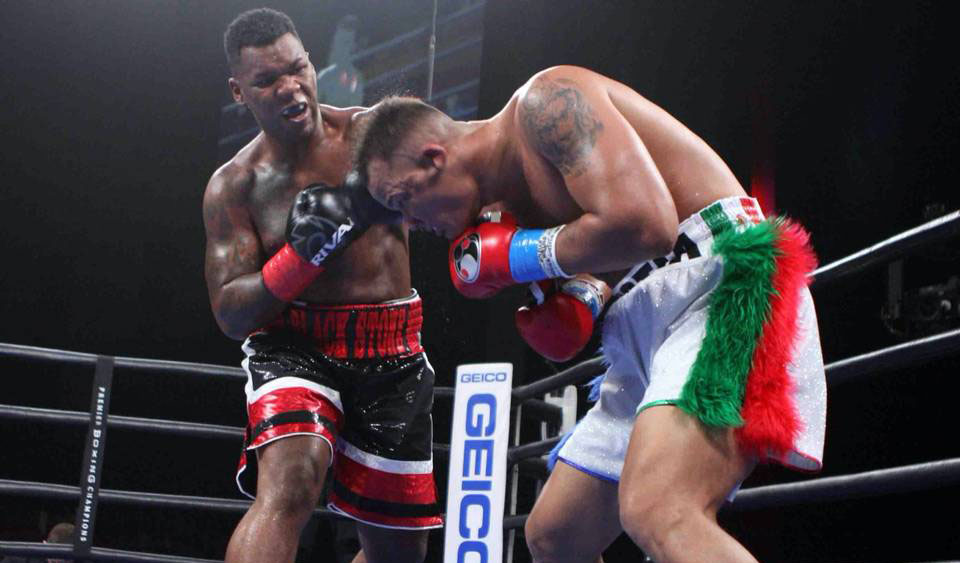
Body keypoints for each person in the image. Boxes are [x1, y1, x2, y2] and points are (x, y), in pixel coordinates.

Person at [353, 65, 826, 562]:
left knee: (661, 510)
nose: (410, 224)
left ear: (433, 158)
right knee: (557, 536)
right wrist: (582, 297)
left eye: (402, 200)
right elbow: (620, 260)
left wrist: (518, 255)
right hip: (646, 321)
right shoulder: (504, 208)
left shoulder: (548, 102)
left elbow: (647, 226)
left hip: (722, 282)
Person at [204, 9, 440, 563]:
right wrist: (300, 258)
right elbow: (230, 311)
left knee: (398, 551)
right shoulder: (235, 185)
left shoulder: (374, 134)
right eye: (268, 80)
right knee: (290, 482)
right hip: (295, 345)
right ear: (239, 91)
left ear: (312, 64)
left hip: (392, 347)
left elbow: (470, 178)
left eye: (297, 68)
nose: (291, 87)